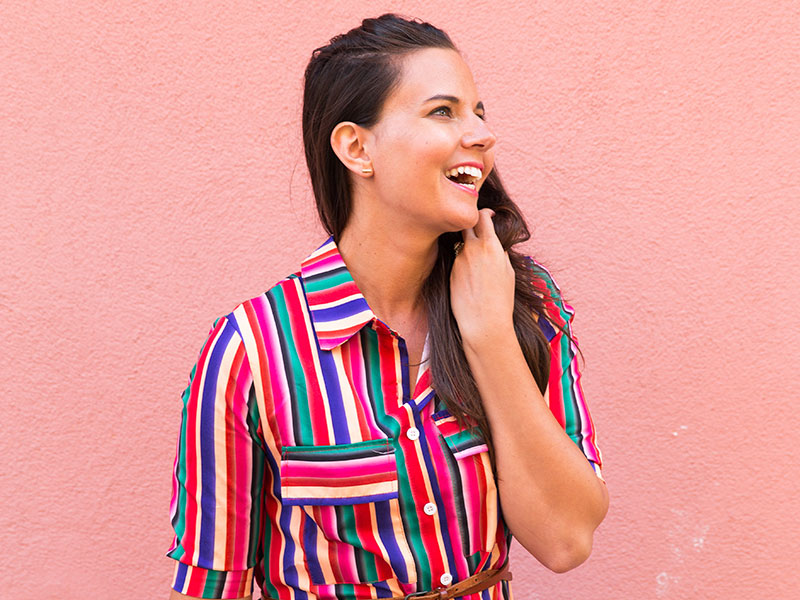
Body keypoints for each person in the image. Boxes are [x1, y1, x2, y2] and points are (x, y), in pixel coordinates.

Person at [166, 14, 608, 600]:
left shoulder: (523, 306)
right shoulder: (251, 352)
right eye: (443, 112)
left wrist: (491, 340)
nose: (480, 134)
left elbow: (567, 541)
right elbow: (210, 584)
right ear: (356, 147)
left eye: (479, 111)